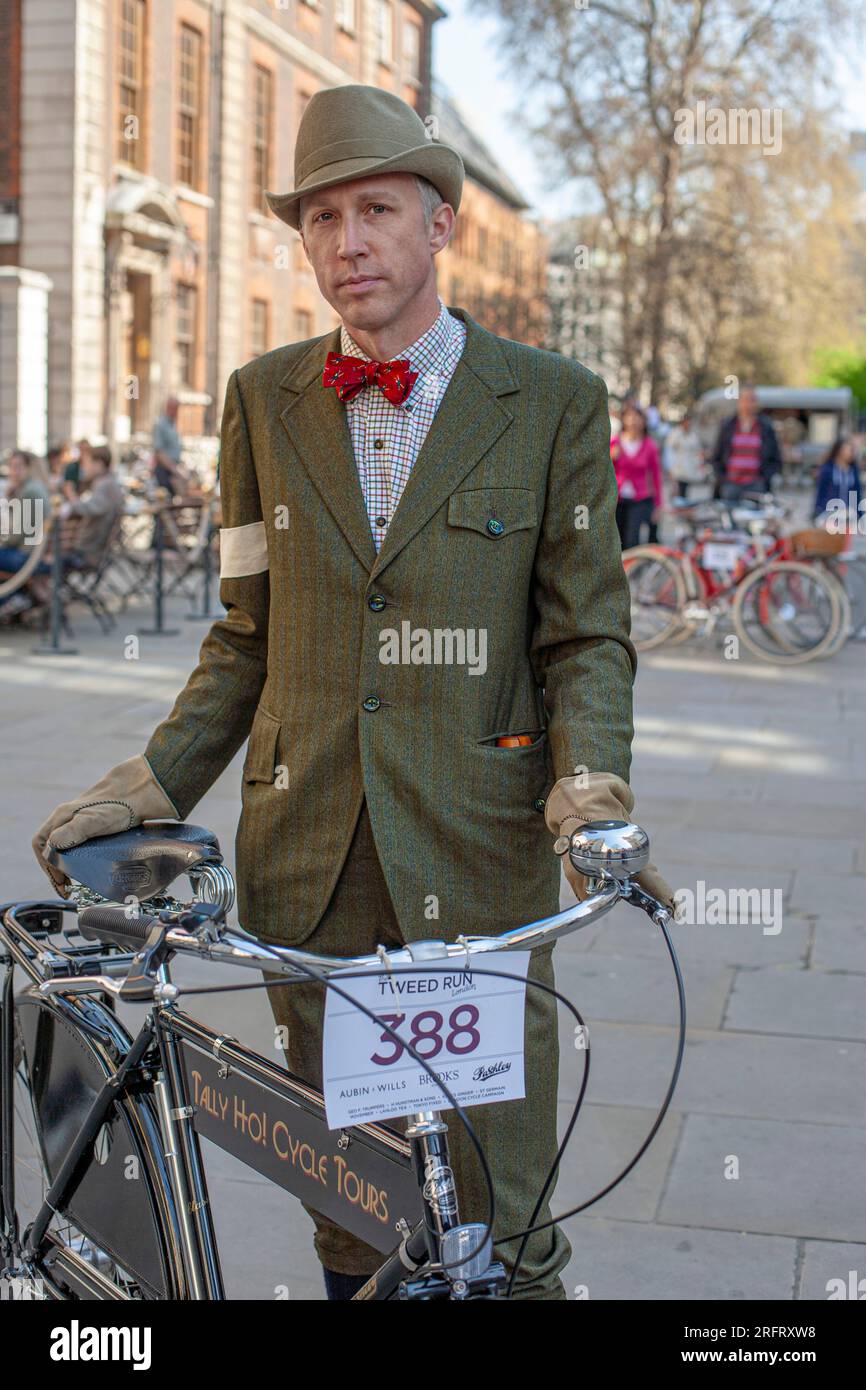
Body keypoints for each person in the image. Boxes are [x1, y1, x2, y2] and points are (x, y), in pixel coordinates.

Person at [33, 84, 673, 1302]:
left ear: (440, 226)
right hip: (308, 860)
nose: (346, 242)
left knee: (501, 1209)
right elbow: (244, 632)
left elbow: (584, 633)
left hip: (478, 861)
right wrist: (153, 782)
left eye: (375, 208)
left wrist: (588, 784)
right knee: (355, 1207)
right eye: (320, 219)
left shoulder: (549, 402)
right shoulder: (261, 399)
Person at [0, 450, 53, 608]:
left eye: (18, 467)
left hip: (27, 556)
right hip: (32, 554)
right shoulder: (33, 488)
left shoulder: (31, 491)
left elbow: (16, 536)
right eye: (11, 467)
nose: (14, 472)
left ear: (28, 468)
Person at [709, 384, 781, 499]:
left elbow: (776, 458)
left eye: (751, 400)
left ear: (756, 402)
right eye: (745, 400)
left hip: (756, 484)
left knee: (755, 517)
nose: (748, 404)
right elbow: (716, 457)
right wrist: (723, 479)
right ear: (739, 402)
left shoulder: (766, 427)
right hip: (731, 485)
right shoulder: (727, 426)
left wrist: (765, 478)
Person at [59, 445, 125, 568]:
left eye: (87, 464)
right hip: (96, 548)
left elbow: (88, 510)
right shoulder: (106, 482)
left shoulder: (105, 485)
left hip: (91, 551)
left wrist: (71, 495)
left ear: (98, 464)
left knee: (48, 557)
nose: (84, 469)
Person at [611, 400, 664, 549]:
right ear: (624, 420)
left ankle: (631, 570)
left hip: (639, 499)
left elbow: (656, 476)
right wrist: (611, 458)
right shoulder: (615, 442)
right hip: (617, 498)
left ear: (643, 421)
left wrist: (658, 505)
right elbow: (604, 471)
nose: (633, 421)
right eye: (629, 417)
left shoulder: (649, 446)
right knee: (616, 539)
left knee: (632, 538)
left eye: (637, 417)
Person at [813, 436, 862, 525]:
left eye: (851, 450)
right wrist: (817, 510)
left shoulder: (853, 471)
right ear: (839, 451)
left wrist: (860, 515)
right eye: (847, 450)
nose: (850, 453)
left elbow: (857, 493)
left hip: (849, 514)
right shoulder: (828, 469)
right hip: (830, 512)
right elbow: (821, 492)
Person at [664, 412, 707, 500]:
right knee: (679, 490)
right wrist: (670, 467)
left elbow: (697, 449)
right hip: (678, 467)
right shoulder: (675, 434)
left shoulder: (692, 435)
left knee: (685, 491)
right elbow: (669, 451)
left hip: (689, 467)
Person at [152, 396, 186, 497]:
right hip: (165, 470)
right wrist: (174, 470)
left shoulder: (173, 424)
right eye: (175, 408)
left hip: (173, 468)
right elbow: (159, 452)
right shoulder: (161, 424)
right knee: (166, 501)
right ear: (169, 407)